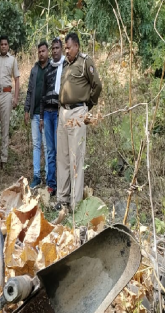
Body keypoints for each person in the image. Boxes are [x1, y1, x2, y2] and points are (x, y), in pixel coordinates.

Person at [56, 32, 102, 210]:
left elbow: (97, 85)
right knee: (63, 157)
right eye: (65, 48)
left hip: (78, 112)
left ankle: (75, 204)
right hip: (63, 113)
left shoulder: (85, 62)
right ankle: (62, 199)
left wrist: (87, 105)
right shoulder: (65, 64)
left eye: (68, 48)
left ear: (76, 46)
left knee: (76, 158)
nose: (66, 51)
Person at [0, 35, 20, 169]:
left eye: (5, 44)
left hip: (7, 94)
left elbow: (17, 79)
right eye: (1, 44)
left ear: (8, 46)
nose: (3, 46)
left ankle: (4, 159)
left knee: (5, 127)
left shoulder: (12, 60)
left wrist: (15, 98)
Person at [39, 37, 65, 196]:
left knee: (60, 150)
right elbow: (42, 95)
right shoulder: (48, 69)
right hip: (47, 115)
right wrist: (41, 117)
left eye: (57, 48)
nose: (55, 51)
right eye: (53, 48)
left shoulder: (65, 67)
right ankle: (51, 185)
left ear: (61, 49)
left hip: (59, 113)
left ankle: (62, 185)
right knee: (50, 151)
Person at [24, 41, 50, 189]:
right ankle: (36, 176)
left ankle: (48, 175)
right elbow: (29, 91)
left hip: (47, 113)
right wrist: (26, 110)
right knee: (36, 145)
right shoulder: (34, 69)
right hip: (34, 113)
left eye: (43, 51)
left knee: (46, 145)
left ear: (48, 52)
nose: (41, 54)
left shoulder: (52, 68)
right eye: (39, 51)